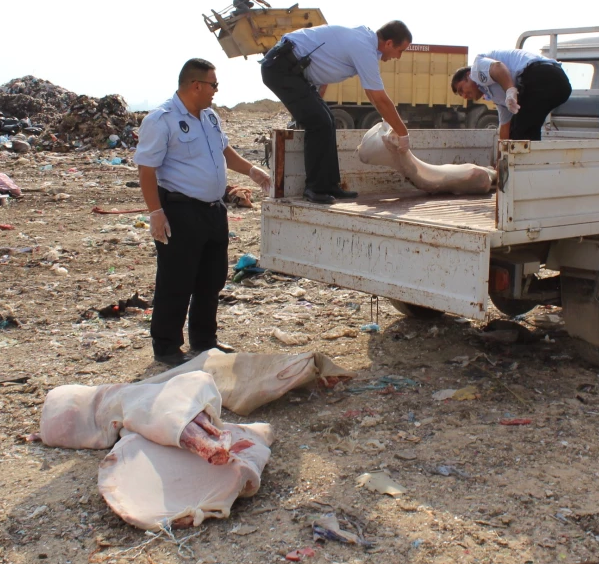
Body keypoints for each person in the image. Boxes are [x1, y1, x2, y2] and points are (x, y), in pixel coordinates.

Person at [134, 58, 272, 366]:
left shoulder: (209, 117)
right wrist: (155, 212)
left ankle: (204, 339)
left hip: (213, 210)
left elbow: (224, 151)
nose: (216, 91)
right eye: (214, 85)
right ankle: (167, 347)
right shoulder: (162, 120)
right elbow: (146, 170)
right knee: (176, 280)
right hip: (180, 210)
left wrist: (251, 171)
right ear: (196, 85)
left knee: (212, 279)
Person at [260, 21, 412, 203]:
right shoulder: (363, 47)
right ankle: (314, 188)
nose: (399, 56)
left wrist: (317, 96)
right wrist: (403, 133)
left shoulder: (363, 40)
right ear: (388, 44)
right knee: (319, 123)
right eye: (400, 51)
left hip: (293, 70)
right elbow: (378, 97)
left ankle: (329, 185)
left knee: (328, 120)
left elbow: (325, 63)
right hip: (280, 68)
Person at [451, 48, 573, 141]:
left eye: (461, 89)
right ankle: (528, 166)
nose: (464, 96)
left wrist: (510, 91)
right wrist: (500, 158)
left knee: (520, 133)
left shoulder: (476, 69)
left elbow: (498, 67)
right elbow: (505, 127)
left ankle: (522, 170)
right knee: (522, 131)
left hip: (543, 75)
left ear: (468, 75)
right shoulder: (495, 94)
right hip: (559, 86)